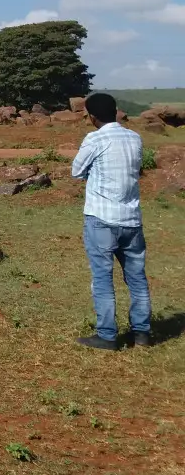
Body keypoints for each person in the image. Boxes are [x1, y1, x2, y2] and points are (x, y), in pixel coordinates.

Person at [72, 93, 151, 350]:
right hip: (132, 219)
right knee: (137, 278)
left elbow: (76, 171)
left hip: (102, 219)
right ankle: (142, 333)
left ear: (92, 117)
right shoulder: (134, 137)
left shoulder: (94, 138)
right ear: (116, 111)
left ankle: (107, 335)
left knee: (103, 278)